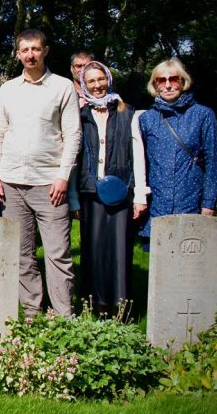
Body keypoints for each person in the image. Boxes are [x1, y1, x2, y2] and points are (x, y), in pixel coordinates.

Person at [0, 29, 81, 317]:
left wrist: (63, 176)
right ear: (17, 54)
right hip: (12, 184)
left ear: (46, 51)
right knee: (21, 253)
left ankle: (63, 314)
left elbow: (73, 135)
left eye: (36, 49)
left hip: (49, 184)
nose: (30, 55)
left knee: (57, 254)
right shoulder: (8, 89)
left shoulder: (63, 87)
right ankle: (31, 311)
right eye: (25, 50)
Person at [67, 61, 148, 314]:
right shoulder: (79, 116)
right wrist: (73, 199)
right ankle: (96, 304)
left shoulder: (127, 113)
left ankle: (121, 306)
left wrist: (140, 194)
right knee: (93, 251)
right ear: (84, 84)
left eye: (100, 79)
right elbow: (73, 158)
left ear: (108, 80)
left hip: (120, 191)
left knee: (119, 251)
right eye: (91, 81)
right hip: (90, 193)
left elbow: (138, 153)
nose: (97, 85)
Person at [138, 58, 217, 239]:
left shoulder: (203, 115)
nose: (168, 85)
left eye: (173, 79)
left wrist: (208, 203)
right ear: (155, 85)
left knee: (190, 256)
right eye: (162, 80)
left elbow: (213, 162)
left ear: (183, 81)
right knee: (159, 261)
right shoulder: (147, 119)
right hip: (157, 203)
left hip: (191, 200)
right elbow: (139, 163)